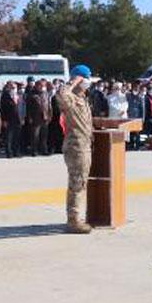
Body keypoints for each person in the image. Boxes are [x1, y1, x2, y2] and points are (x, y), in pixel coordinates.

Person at [55, 65, 95, 234]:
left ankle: (76, 216)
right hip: (76, 147)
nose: (88, 82)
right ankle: (73, 220)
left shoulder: (82, 99)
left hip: (85, 145)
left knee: (81, 182)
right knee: (77, 183)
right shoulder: (70, 98)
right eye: (86, 78)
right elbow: (61, 95)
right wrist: (73, 81)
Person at [26, 81, 52, 156]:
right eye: (41, 86)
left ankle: (44, 150)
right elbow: (28, 107)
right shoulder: (32, 94)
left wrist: (50, 115)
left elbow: (48, 105)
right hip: (35, 117)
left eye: (43, 86)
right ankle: (34, 151)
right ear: (37, 86)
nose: (42, 87)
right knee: (35, 135)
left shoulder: (45, 93)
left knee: (44, 135)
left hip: (45, 117)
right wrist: (29, 117)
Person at [0, 84, 24, 158]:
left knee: (17, 137)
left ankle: (16, 152)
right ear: (8, 88)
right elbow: (2, 109)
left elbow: (22, 107)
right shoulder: (5, 96)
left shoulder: (18, 96)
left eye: (15, 87)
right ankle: (9, 153)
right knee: (9, 137)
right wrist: (4, 120)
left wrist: (22, 118)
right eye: (12, 87)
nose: (14, 89)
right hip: (9, 119)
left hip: (18, 119)